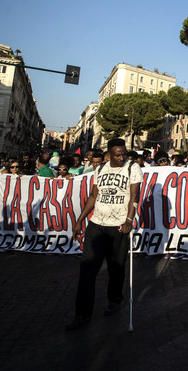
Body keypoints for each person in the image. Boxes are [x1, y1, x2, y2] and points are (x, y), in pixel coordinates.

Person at [67, 138, 142, 331]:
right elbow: (93, 196)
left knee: (116, 267)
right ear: (109, 154)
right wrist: (80, 220)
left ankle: (115, 300)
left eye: (123, 153)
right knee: (87, 269)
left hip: (118, 226)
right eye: (117, 154)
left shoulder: (132, 168)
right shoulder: (100, 169)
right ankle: (82, 313)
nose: (121, 157)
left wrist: (128, 220)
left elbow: (134, 197)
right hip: (97, 224)